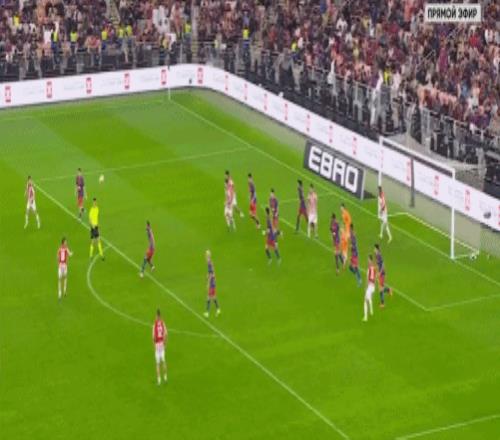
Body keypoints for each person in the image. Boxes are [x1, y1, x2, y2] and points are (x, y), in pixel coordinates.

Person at [152, 309, 168, 385]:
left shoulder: (154, 325)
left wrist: (154, 346)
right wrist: (165, 344)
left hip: (157, 344)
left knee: (158, 364)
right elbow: (166, 334)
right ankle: (165, 377)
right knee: (163, 361)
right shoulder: (163, 323)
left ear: (156, 316)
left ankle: (159, 380)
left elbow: (153, 337)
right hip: (162, 343)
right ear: (160, 316)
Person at [204, 250, 221, 317]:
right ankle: (218, 309)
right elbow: (212, 272)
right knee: (213, 297)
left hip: (211, 283)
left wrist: (208, 283)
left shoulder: (209, 263)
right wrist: (209, 275)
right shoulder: (210, 263)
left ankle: (207, 312)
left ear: (207, 256)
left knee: (209, 297)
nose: (205, 257)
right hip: (213, 282)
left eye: (205, 255)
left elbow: (211, 274)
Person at [363, 255, 376, 322]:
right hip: (373, 287)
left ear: (370, 260)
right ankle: (371, 311)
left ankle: (366, 317)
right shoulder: (374, 268)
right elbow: (375, 278)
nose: (367, 261)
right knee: (368, 298)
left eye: (368, 259)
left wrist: (366, 287)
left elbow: (368, 279)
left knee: (365, 301)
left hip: (370, 286)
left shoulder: (369, 269)